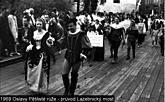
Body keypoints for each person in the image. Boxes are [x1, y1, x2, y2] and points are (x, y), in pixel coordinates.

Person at [25, 18, 55, 93]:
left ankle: (42, 87)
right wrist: (30, 46)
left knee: (42, 70)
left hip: (43, 52)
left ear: (43, 25)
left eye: (40, 24)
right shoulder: (33, 32)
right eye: (37, 24)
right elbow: (31, 42)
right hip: (34, 52)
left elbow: (48, 44)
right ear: (35, 24)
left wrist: (50, 41)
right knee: (34, 69)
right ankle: (34, 86)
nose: (39, 25)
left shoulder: (46, 33)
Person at [61, 18, 87, 96]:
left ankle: (72, 91)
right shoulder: (67, 34)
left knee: (74, 74)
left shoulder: (81, 34)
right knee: (64, 74)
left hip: (77, 56)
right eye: (68, 26)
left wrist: (82, 53)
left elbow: (86, 45)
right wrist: (52, 41)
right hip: (68, 55)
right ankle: (67, 88)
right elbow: (61, 42)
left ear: (75, 25)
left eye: (71, 26)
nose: (69, 28)